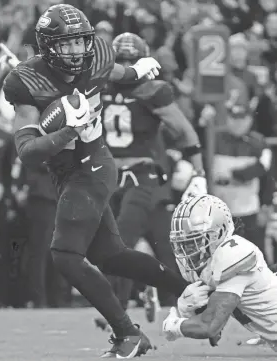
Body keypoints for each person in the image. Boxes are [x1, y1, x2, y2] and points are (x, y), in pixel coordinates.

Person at [3, 4, 190, 358]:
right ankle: (189, 290)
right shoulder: (26, 79)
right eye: (66, 44)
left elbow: (117, 72)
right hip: (64, 170)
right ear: (46, 46)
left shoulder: (98, 54)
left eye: (80, 43)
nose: (76, 52)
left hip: (92, 165)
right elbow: (27, 152)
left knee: (65, 255)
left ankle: (128, 334)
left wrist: (136, 71)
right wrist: (67, 129)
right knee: (111, 255)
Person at [95, 32, 206, 328]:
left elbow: (185, 132)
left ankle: (114, 312)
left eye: (132, 59)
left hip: (142, 175)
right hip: (107, 175)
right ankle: (153, 292)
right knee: (108, 243)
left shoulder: (152, 90)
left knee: (122, 240)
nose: (127, 64)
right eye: (122, 60)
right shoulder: (99, 86)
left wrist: (199, 172)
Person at [162, 195, 277, 352]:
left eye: (192, 242)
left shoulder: (232, 255)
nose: (186, 250)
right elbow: (211, 315)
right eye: (182, 243)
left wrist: (174, 326)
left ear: (217, 233)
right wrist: (188, 308)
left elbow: (209, 326)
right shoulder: (212, 260)